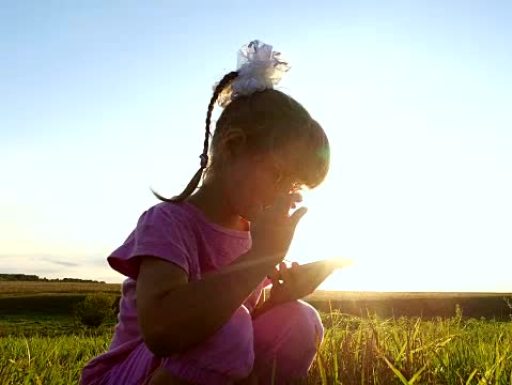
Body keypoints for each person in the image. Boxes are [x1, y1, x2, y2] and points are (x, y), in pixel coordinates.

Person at [79, 40, 331, 385]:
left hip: (194, 363)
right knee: (231, 327)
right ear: (232, 146)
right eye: (276, 174)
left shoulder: (249, 233)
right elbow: (164, 332)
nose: (280, 194)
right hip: (132, 377)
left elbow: (234, 324)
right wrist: (260, 256)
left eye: (291, 187)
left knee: (299, 320)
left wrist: (278, 299)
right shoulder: (167, 222)